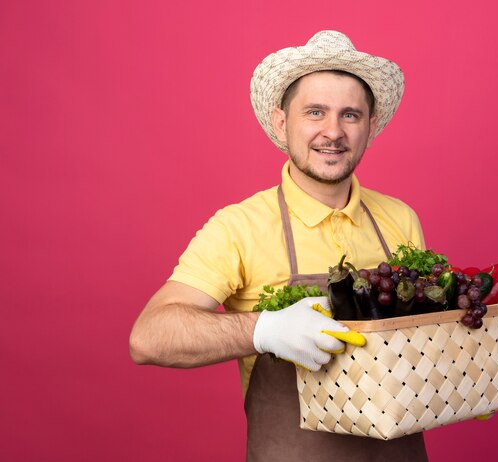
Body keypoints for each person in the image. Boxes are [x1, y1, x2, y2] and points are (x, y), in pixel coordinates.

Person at [130, 30, 428, 461]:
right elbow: (149, 336)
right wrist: (263, 329)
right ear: (281, 123)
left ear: (371, 125)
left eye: (350, 115)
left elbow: (421, 347)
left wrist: (469, 377)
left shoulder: (400, 220)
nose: (333, 131)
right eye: (315, 112)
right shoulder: (239, 227)